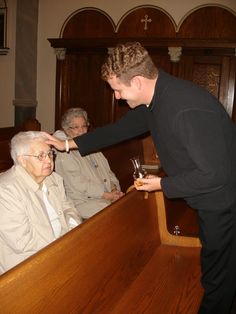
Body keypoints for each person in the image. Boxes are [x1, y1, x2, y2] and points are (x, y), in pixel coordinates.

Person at [45, 41, 236, 314]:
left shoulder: (185, 108)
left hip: (225, 202)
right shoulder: (158, 99)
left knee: (220, 278)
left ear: (136, 81)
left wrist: (161, 184)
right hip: (211, 200)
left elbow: (215, 175)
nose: (117, 97)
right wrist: (65, 145)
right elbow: (117, 130)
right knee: (217, 268)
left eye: (117, 89)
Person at [0, 131, 82, 274]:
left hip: (63, 248)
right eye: (40, 156)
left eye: (50, 154)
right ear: (22, 160)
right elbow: (23, 242)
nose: (49, 161)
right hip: (27, 265)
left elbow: (70, 209)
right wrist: (62, 243)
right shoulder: (6, 191)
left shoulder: (53, 178)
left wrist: (71, 232)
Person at [53, 107, 124, 219]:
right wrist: (106, 195)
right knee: (113, 213)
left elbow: (108, 172)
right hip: (81, 202)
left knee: (125, 204)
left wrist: (114, 189)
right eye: (76, 127)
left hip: (104, 196)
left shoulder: (91, 146)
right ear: (66, 130)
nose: (81, 131)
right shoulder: (64, 153)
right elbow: (79, 183)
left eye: (84, 126)